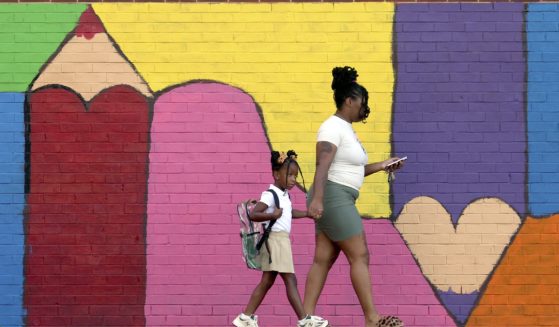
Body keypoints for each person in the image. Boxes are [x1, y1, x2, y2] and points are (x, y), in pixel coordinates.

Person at [304, 66, 404, 327]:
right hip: (333, 195)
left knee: (323, 258)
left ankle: (306, 318)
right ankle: (372, 319)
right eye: (362, 102)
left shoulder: (346, 129)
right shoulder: (332, 127)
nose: (365, 107)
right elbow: (322, 164)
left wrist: (383, 165)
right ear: (349, 100)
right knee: (359, 255)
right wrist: (317, 200)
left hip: (335, 194)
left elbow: (352, 169)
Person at [233, 150, 329, 327]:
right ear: (276, 174)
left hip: (281, 241)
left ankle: (246, 316)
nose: (293, 179)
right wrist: (273, 215)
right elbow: (255, 214)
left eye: (295, 176)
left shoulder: (285, 195)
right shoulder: (271, 194)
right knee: (290, 280)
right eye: (289, 175)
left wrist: (307, 214)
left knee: (267, 281)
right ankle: (304, 320)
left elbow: (289, 213)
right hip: (275, 241)